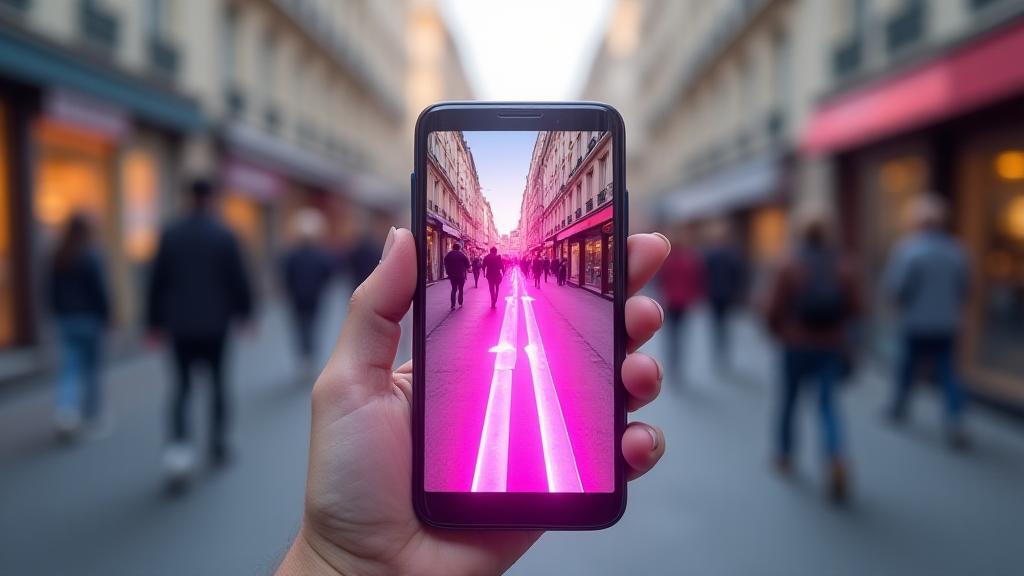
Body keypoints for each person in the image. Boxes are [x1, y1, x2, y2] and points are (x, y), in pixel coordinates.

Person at [273, 230, 669, 576]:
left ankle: (471, 297)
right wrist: (337, 561)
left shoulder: (461, 257)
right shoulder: (477, 257)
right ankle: (479, 296)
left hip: (478, 279)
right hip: (480, 277)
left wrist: (333, 564)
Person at [147, 178, 254, 481]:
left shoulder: (171, 234)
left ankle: (179, 450)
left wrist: (153, 323)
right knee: (218, 384)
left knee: (181, 387)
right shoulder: (224, 235)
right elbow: (238, 278)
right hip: (216, 324)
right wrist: (246, 314)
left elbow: (157, 281)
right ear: (211, 198)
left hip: (179, 325)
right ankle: (218, 444)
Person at [765, 214, 860, 504]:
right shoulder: (844, 266)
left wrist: (781, 333)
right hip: (830, 346)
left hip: (795, 345)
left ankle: (784, 455)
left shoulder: (789, 265)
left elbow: (772, 309)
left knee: (789, 402)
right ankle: (835, 459)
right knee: (828, 405)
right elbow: (857, 309)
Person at [883, 194, 970, 449]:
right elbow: (965, 289)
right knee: (948, 372)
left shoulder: (909, 250)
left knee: (907, 367)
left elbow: (897, 288)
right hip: (946, 322)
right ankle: (954, 417)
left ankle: (899, 408)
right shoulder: (957, 251)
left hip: (915, 322)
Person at [48, 213, 110, 439]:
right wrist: (107, 316)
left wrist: (56, 312)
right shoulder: (91, 255)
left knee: (69, 368)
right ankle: (92, 415)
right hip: (89, 318)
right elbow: (100, 291)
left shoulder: (59, 255)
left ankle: (66, 412)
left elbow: (51, 290)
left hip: (66, 319)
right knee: (91, 370)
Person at [282, 209, 334, 379]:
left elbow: (286, 276)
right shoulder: (320, 255)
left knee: (300, 328)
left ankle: (304, 358)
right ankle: (310, 358)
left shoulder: (292, 255)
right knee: (313, 327)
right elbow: (328, 274)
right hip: (315, 297)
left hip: (297, 298)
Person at [657, 225, 704, 386]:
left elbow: (660, 280)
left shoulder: (666, 260)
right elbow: (696, 280)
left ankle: (672, 362)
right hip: (683, 302)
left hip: (670, 301)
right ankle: (678, 364)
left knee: (671, 334)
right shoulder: (690, 259)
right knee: (681, 334)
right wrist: (694, 298)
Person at [702, 221, 747, 370]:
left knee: (716, 323)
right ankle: (723, 351)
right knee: (725, 323)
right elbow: (739, 275)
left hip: (714, 293)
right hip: (727, 294)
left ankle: (717, 350)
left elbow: (704, 275)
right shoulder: (732, 254)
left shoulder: (711, 254)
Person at [443, 243, 470, 310]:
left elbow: (445, 262)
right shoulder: (462, 255)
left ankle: (453, 305)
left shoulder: (449, 254)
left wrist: (448, 270)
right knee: (460, 289)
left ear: (453, 248)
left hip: (452, 275)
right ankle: (460, 303)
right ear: (459, 248)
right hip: (461, 275)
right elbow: (468, 265)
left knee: (454, 289)